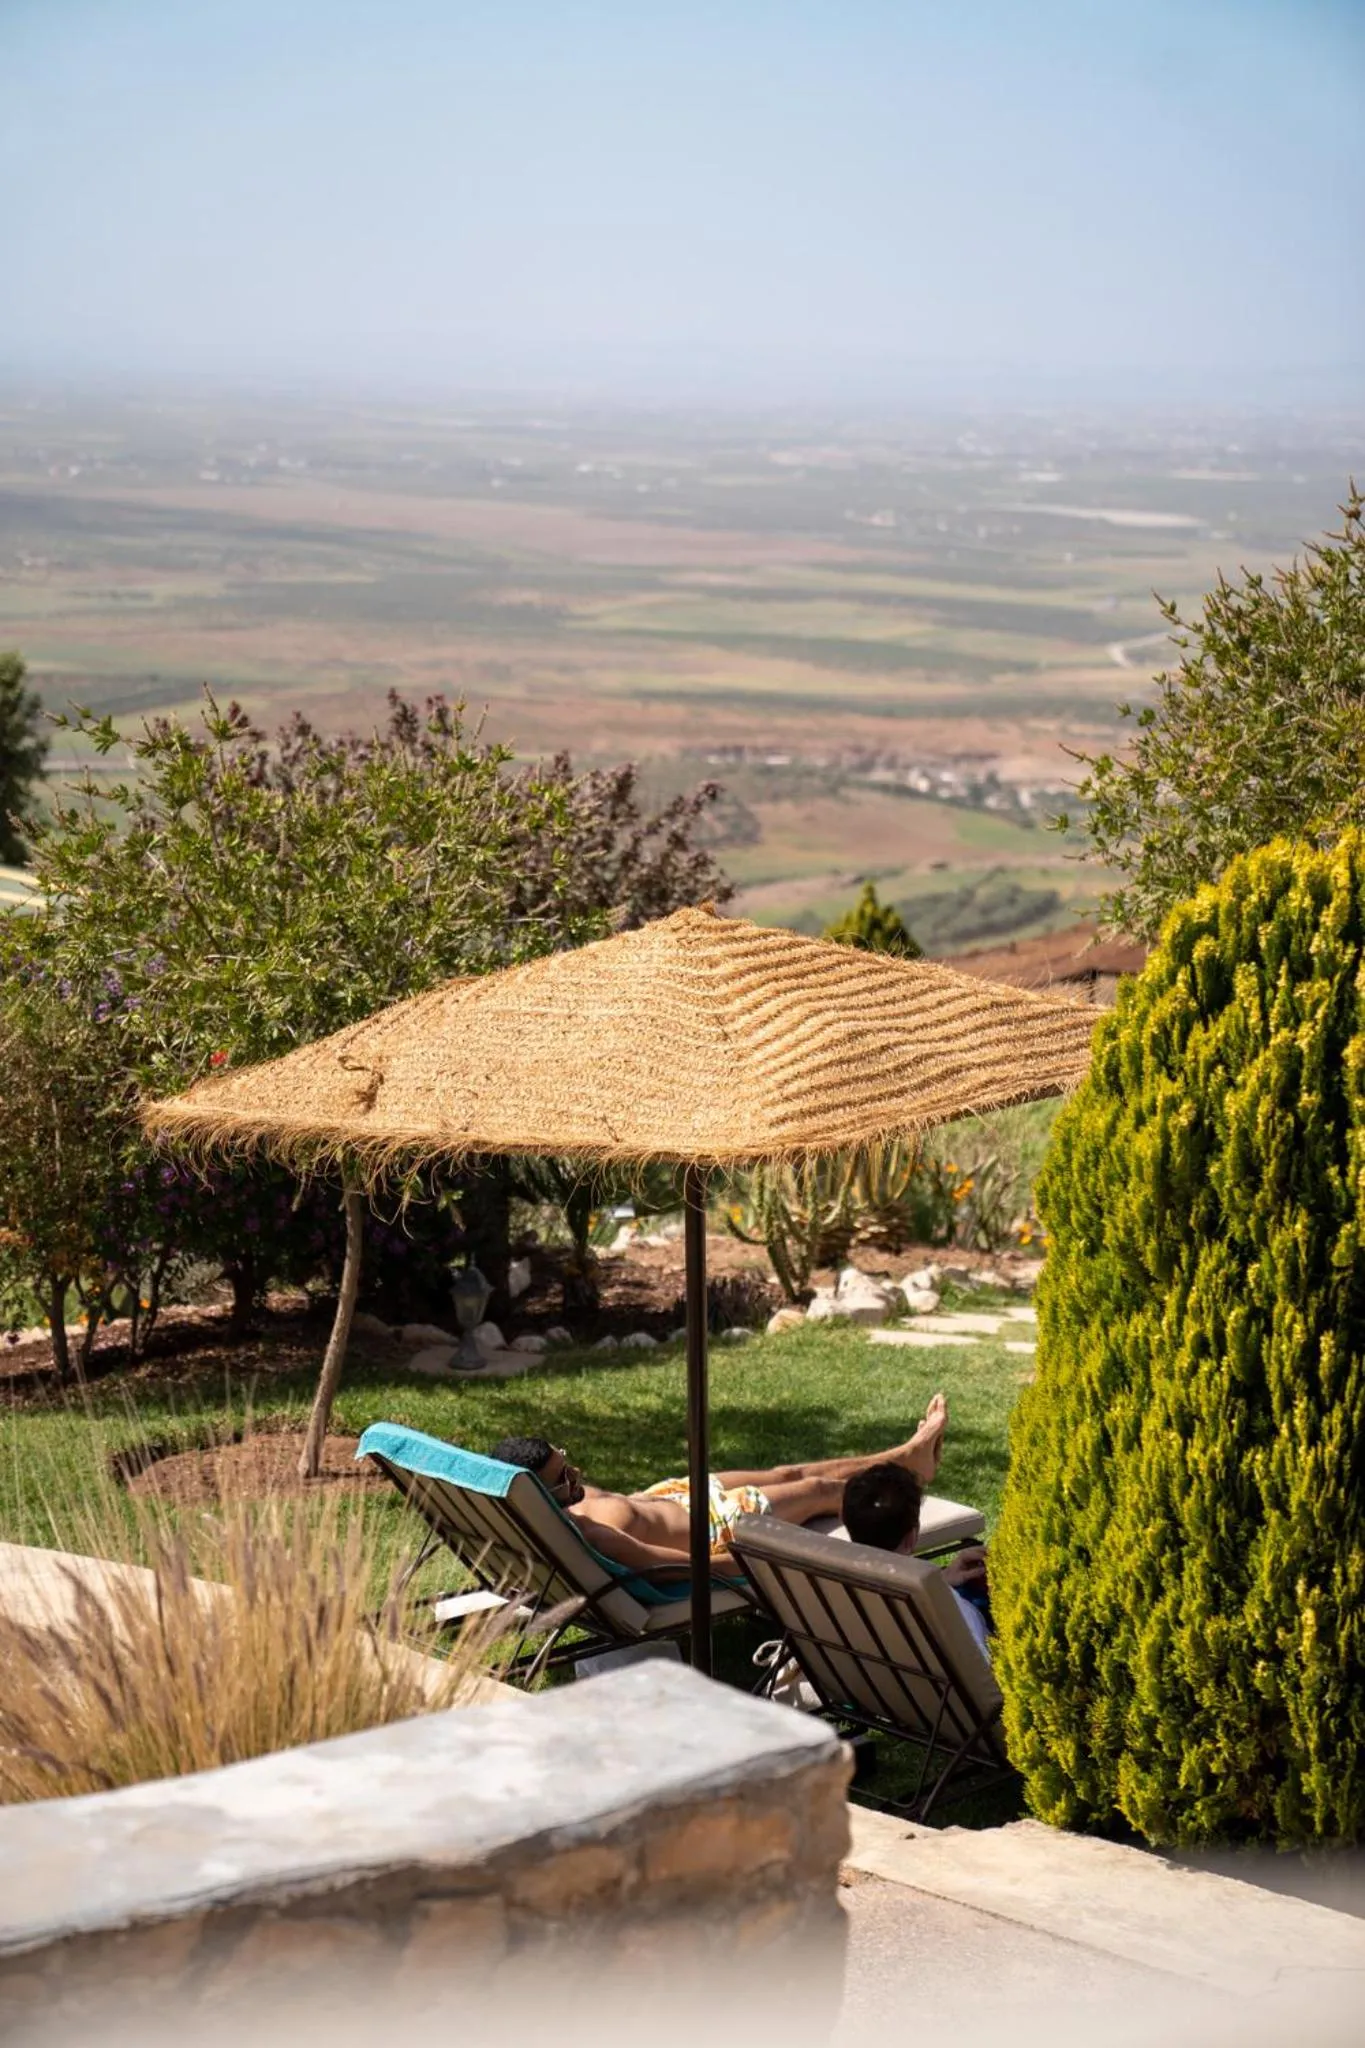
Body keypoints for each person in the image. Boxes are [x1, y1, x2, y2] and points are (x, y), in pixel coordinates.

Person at [489, 1394, 948, 1579]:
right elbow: (682, 1567)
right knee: (824, 1489)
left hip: (670, 1496)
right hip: (719, 1525)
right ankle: (908, 1470)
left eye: (568, 1464)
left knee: (789, 1471)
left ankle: (908, 1456)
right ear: (540, 1494)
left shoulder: (536, 1513)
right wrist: (760, 1561)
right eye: (565, 1478)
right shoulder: (591, 1533)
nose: (578, 1477)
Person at [841, 1460, 992, 1661]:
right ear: (912, 1537)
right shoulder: (949, 1613)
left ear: (845, 1521)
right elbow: (982, 1677)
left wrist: (940, 1581)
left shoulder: (827, 1592)